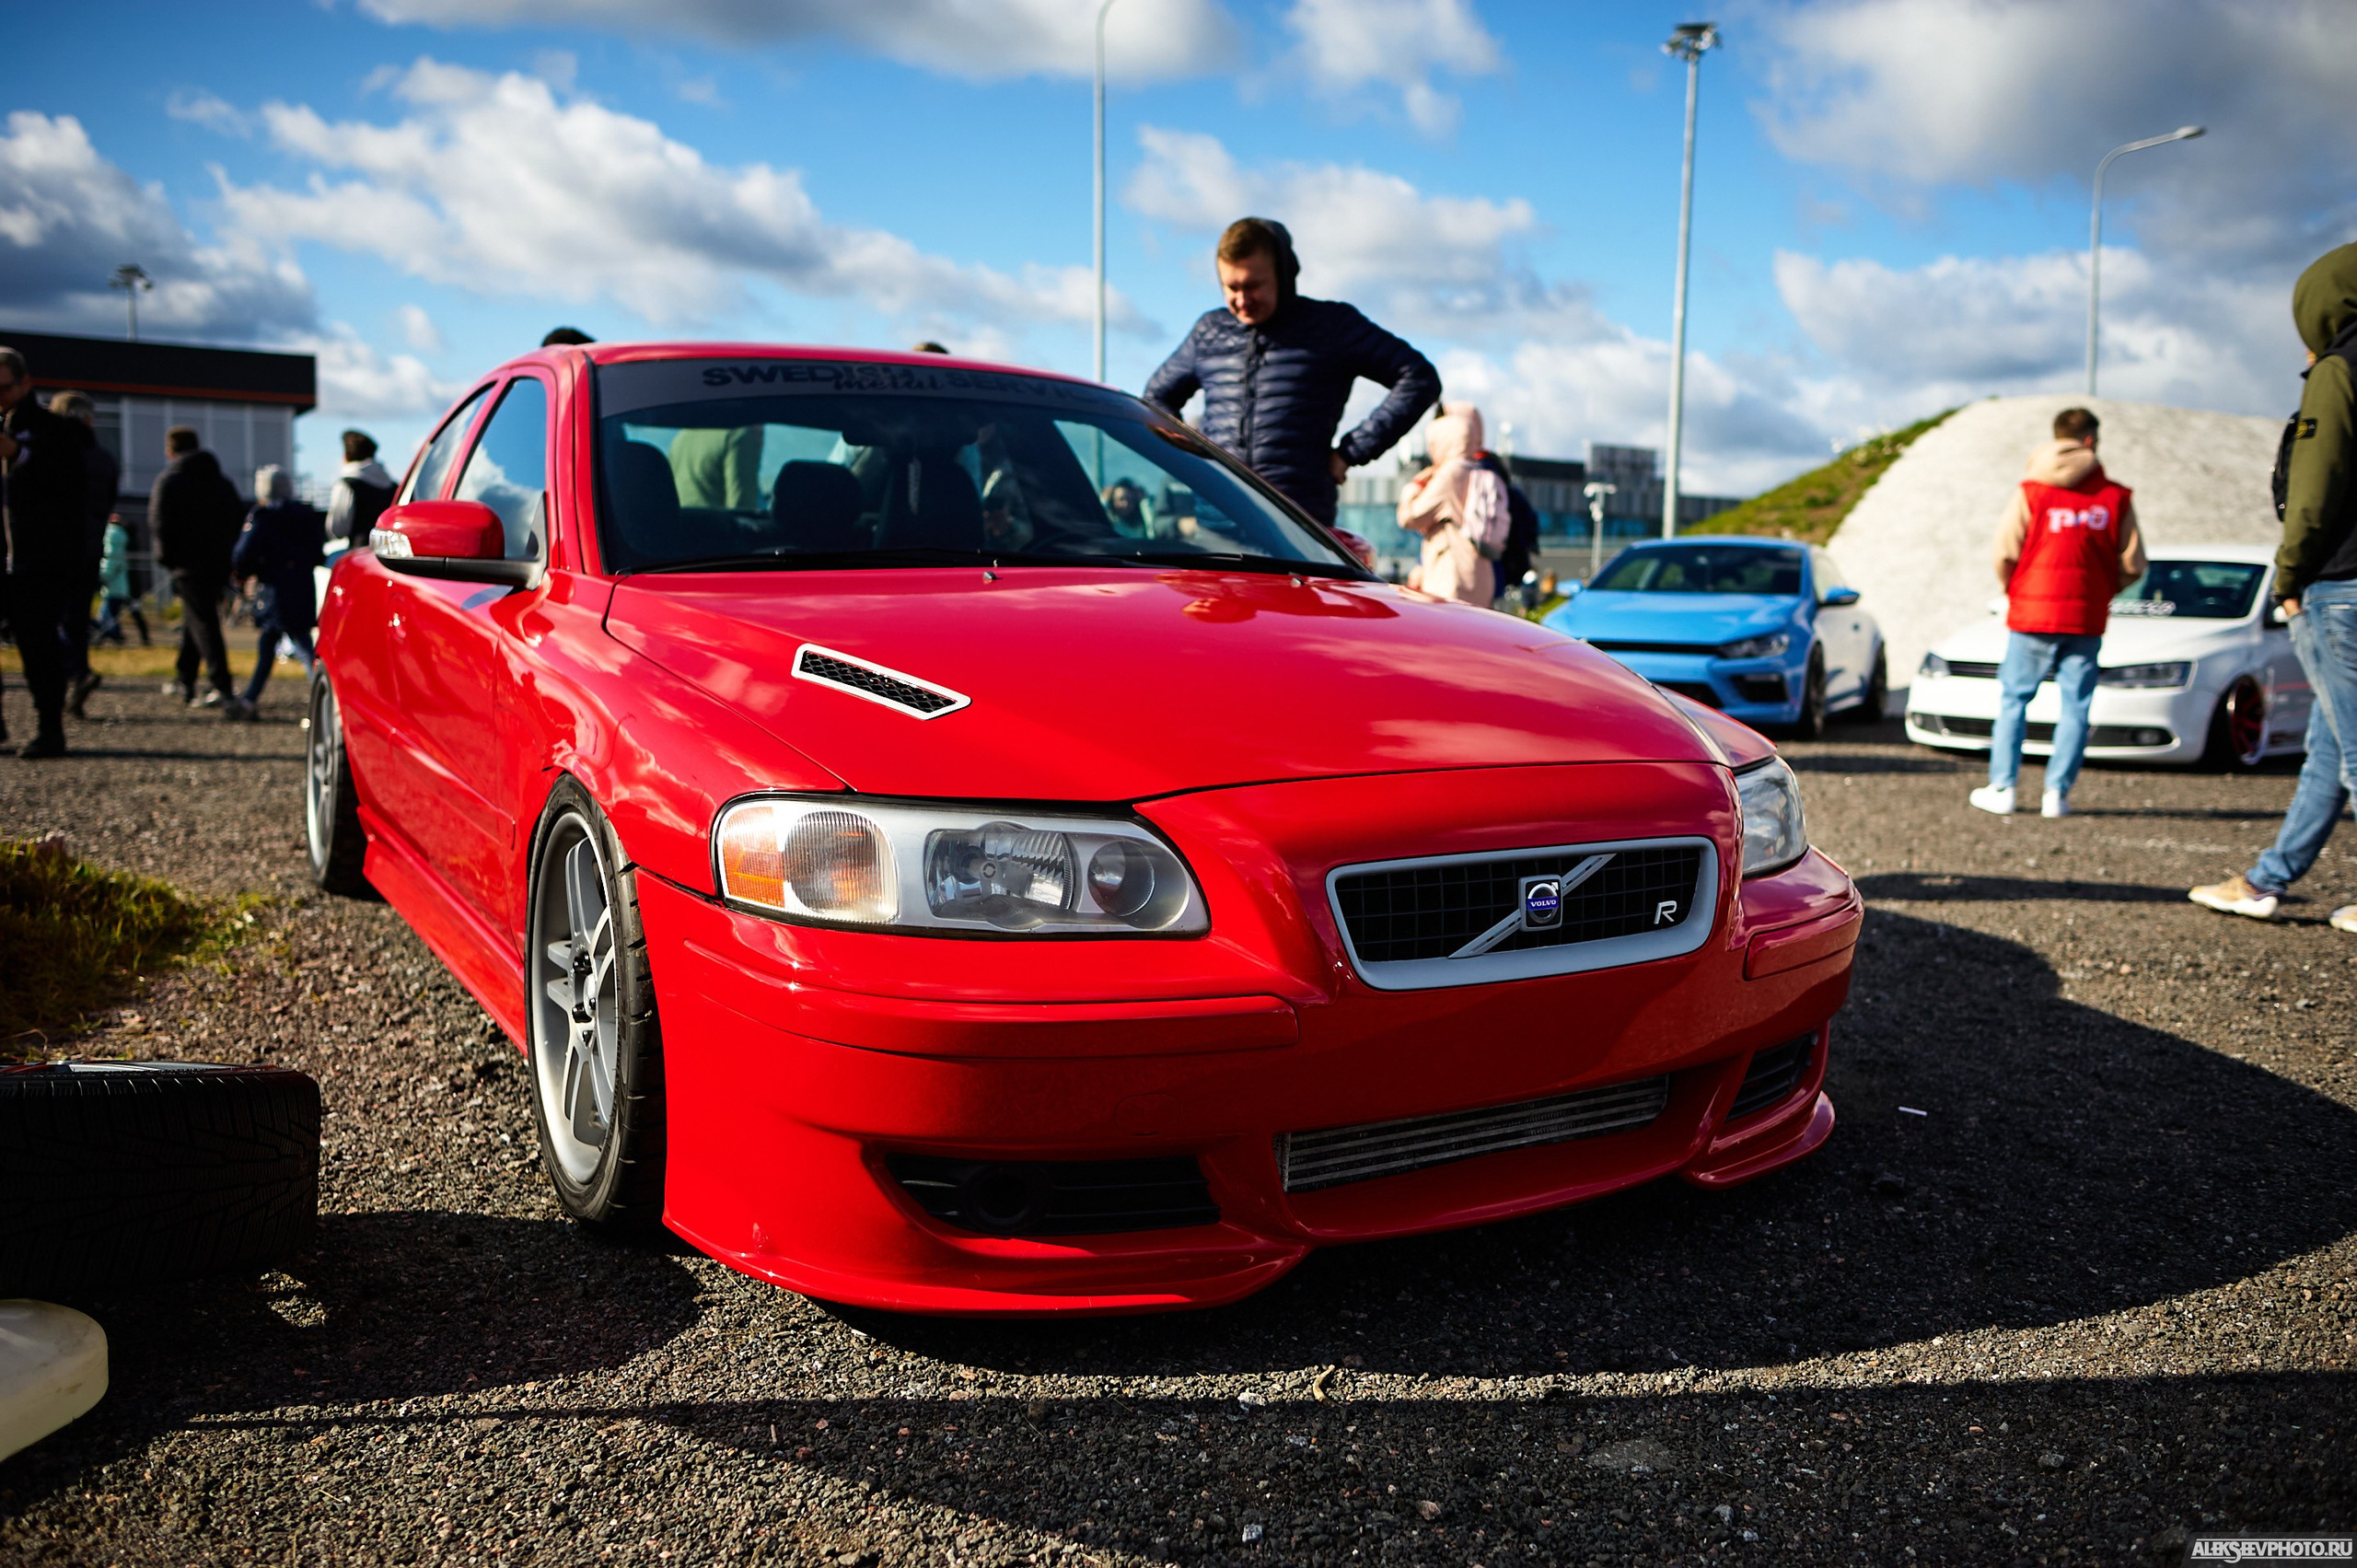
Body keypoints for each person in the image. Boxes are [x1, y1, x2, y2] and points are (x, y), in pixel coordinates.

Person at [2191, 243, 2357, 935]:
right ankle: (2267, 878)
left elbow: (2314, 490)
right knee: (2328, 746)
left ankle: (2267, 879)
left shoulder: (2340, 367)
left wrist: (2288, 579)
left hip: (2339, 583)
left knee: (2353, 744)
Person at [1145, 216, 1439, 526]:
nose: (1242, 300)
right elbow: (1156, 398)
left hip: (1299, 530)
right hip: (1217, 525)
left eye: (1253, 286)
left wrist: (1351, 452)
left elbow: (1419, 378)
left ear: (1284, 276)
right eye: (1231, 288)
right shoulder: (1209, 332)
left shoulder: (1331, 326)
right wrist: (1194, 458)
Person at [1967, 407, 2145, 819]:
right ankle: (2056, 795)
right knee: (2076, 707)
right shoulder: (2116, 497)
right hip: (2085, 618)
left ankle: (2003, 787)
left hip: (2031, 614)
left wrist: (2016, 589)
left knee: (2014, 699)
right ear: (2089, 441)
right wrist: (2103, 591)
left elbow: (2004, 551)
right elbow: (2135, 563)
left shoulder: (2030, 491)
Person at [0, 346, 96, 756]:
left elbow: (70, 483)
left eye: (3, 388)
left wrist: (18, 455)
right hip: (10, 553)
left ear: (25, 384)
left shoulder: (51, 430)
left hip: (37, 560)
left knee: (38, 647)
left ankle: (49, 729)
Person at [151, 424, 251, 719]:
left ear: (170, 451)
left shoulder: (170, 480)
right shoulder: (221, 482)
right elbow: (237, 519)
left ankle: (223, 686)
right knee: (195, 619)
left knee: (203, 622)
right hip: (218, 562)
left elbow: (159, 522)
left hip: (187, 564)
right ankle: (185, 678)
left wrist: (167, 559)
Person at [1397, 403, 1512, 608]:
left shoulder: (1451, 473)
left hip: (1451, 574)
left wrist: (1414, 487)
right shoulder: (1481, 470)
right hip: (1480, 573)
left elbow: (1409, 517)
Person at [46, 390, 118, 718]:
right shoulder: (103, 458)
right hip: (90, 548)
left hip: (54, 550)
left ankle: (71, 674)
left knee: (47, 621)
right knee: (77, 619)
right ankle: (77, 679)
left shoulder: (52, 452)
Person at [231, 465, 324, 710]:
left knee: (291, 645)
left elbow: (243, 554)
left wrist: (248, 571)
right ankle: (251, 696)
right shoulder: (306, 515)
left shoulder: (263, 516)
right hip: (302, 586)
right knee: (295, 641)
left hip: (273, 588)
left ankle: (324, 696)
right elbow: (318, 553)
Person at [324, 430, 397, 546]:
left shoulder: (347, 485)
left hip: (360, 552)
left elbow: (338, 530)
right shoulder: (394, 487)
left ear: (346, 456)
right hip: (390, 553)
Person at [669, 425, 761, 510]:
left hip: (680, 525)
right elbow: (742, 509)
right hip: (715, 526)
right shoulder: (737, 435)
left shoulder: (680, 438)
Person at [94, 513, 146, 647]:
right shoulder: (124, 537)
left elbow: (111, 560)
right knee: (114, 614)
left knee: (108, 615)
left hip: (113, 586)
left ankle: (114, 637)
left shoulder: (112, 537)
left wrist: (103, 575)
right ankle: (114, 637)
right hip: (123, 586)